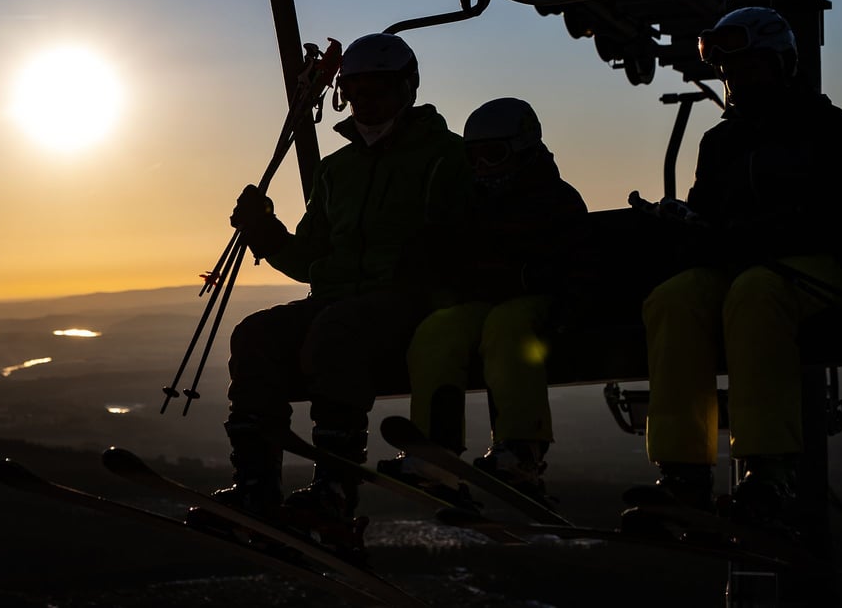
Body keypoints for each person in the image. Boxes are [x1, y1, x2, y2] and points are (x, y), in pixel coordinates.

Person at [215, 33, 472, 537]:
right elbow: (311, 259)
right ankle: (255, 484)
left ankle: (333, 489)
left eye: (378, 92)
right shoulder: (338, 170)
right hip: (340, 301)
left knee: (338, 329)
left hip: (408, 300)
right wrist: (265, 233)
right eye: (356, 94)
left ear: (406, 90)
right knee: (255, 334)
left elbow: (465, 235)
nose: (367, 104)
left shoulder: (446, 157)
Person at [626, 7, 842, 530]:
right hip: (741, 266)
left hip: (817, 267)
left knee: (757, 292)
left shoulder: (827, 127)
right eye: (730, 70)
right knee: (675, 298)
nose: (737, 79)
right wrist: (685, 228)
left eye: (749, 67)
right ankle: (683, 472)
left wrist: (761, 233)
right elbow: (708, 214)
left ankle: (768, 470)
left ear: (781, 64)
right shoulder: (720, 143)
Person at [377, 97, 590, 502]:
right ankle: (433, 449)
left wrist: (557, 299)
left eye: (494, 155)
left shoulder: (555, 200)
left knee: (507, 328)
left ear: (523, 150)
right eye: (473, 158)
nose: (483, 168)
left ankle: (521, 448)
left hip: (538, 303)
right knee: (438, 331)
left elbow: (576, 263)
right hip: (485, 301)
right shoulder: (471, 204)